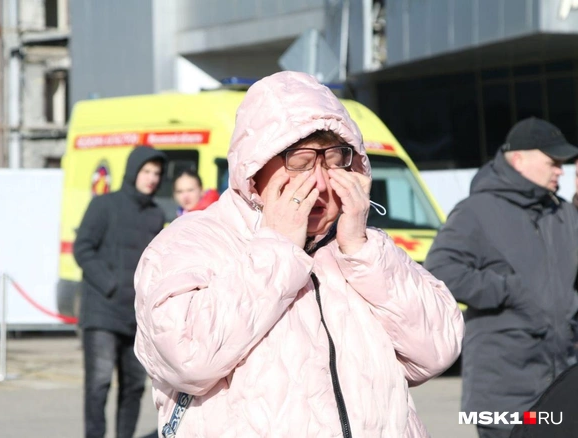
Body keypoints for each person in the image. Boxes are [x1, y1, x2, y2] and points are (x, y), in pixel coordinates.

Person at [133, 71, 463, 437]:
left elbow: (438, 349)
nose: (321, 183)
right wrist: (279, 249)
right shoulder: (191, 242)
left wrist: (362, 252)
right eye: (301, 162)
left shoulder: (361, 247)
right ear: (254, 168)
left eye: (336, 160)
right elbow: (186, 356)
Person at [424, 117, 578, 438]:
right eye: (553, 162)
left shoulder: (564, 215)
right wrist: (509, 290)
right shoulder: (475, 211)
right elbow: (440, 270)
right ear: (519, 158)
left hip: (561, 383)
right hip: (503, 393)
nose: (561, 171)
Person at [74, 146, 167, 438]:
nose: (151, 178)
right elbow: (83, 248)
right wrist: (110, 284)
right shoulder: (104, 205)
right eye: (146, 171)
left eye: (156, 173)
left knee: (134, 387)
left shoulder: (156, 215)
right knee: (99, 384)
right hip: (102, 312)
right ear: (133, 171)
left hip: (136, 317)